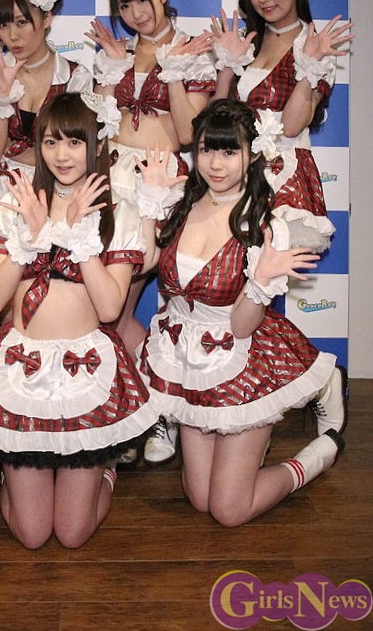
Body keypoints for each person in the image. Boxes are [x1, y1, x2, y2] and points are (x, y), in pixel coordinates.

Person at [135, 99, 346, 527]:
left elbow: (242, 325)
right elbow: (145, 264)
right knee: (199, 499)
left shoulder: (263, 223)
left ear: (251, 155)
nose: (216, 164)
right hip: (187, 360)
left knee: (228, 510)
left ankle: (316, 457)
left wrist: (261, 280)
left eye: (229, 151)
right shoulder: (180, 202)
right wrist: (148, 206)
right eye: (207, 150)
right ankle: (247, 455)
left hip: (243, 361)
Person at [0, 92, 161, 549]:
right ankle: (13, 474)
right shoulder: (18, 201)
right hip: (21, 369)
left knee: (73, 534)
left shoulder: (117, 211)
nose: (62, 155)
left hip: (85, 371)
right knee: (33, 534)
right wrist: (31, 237)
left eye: (75, 142)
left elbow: (110, 309)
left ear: (95, 144)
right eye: (51, 142)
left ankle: (105, 467)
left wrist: (78, 237)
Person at [86, 0, 216, 465]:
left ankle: (161, 410)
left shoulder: (193, 50)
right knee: (109, 311)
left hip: (158, 184)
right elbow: (100, 125)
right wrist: (108, 71)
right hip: (110, 181)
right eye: (125, 5)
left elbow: (187, 134)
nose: (136, 12)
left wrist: (176, 71)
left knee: (130, 308)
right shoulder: (118, 52)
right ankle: (143, 411)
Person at [211, 0, 354, 253]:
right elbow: (212, 123)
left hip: (282, 175)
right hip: (233, 170)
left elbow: (290, 127)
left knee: (268, 271)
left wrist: (309, 67)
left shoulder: (314, 46)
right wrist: (227, 68)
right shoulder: (245, 41)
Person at [0, 0, 93, 224]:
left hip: (53, 188)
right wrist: (2, 92)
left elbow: (75, 151)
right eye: (3, 25)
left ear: (47, 18)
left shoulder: (76, 78)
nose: (12, 36)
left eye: (22, 22)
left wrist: (18, 151)